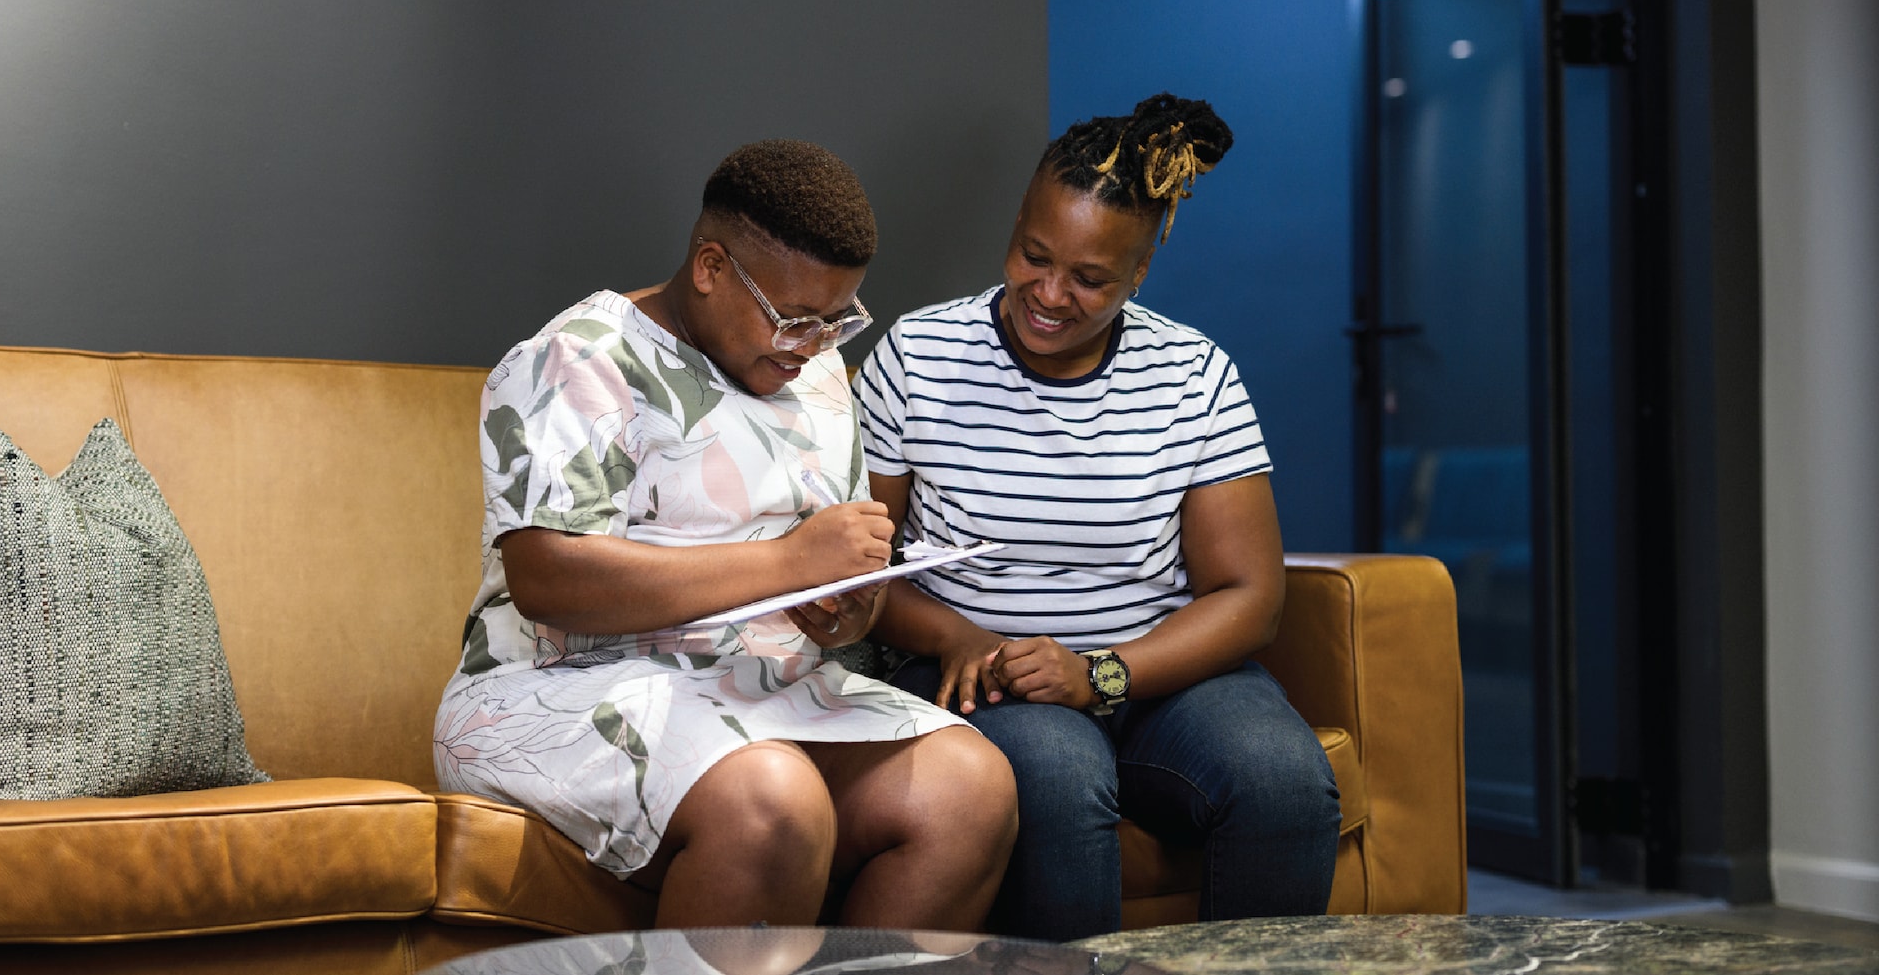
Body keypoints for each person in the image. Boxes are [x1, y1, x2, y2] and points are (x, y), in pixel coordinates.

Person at [434, 139, 1017, 931]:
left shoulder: (816, 376)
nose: (811, 344)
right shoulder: (578, 358)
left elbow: (842, 580)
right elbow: (547, 579)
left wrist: (848, 609)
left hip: (756, 690)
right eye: (792, 319)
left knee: (970, 787)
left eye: (834, 319)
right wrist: (783, 564)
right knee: (773, 798)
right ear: (710, 266)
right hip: (556, 690)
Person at [854, 94, 1340, 941]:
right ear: (1016, 223)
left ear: (1141, 272)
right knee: (1055, 770)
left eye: (1090, 279)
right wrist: (956, 638)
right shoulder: (918, 353)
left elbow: (1249, 595)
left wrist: (1103, 672)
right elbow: (857, 569)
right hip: (989, 678)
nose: (1049, 294)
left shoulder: (1195, 374)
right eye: (1033, 255)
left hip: (1156, 675)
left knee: (1281, 776)